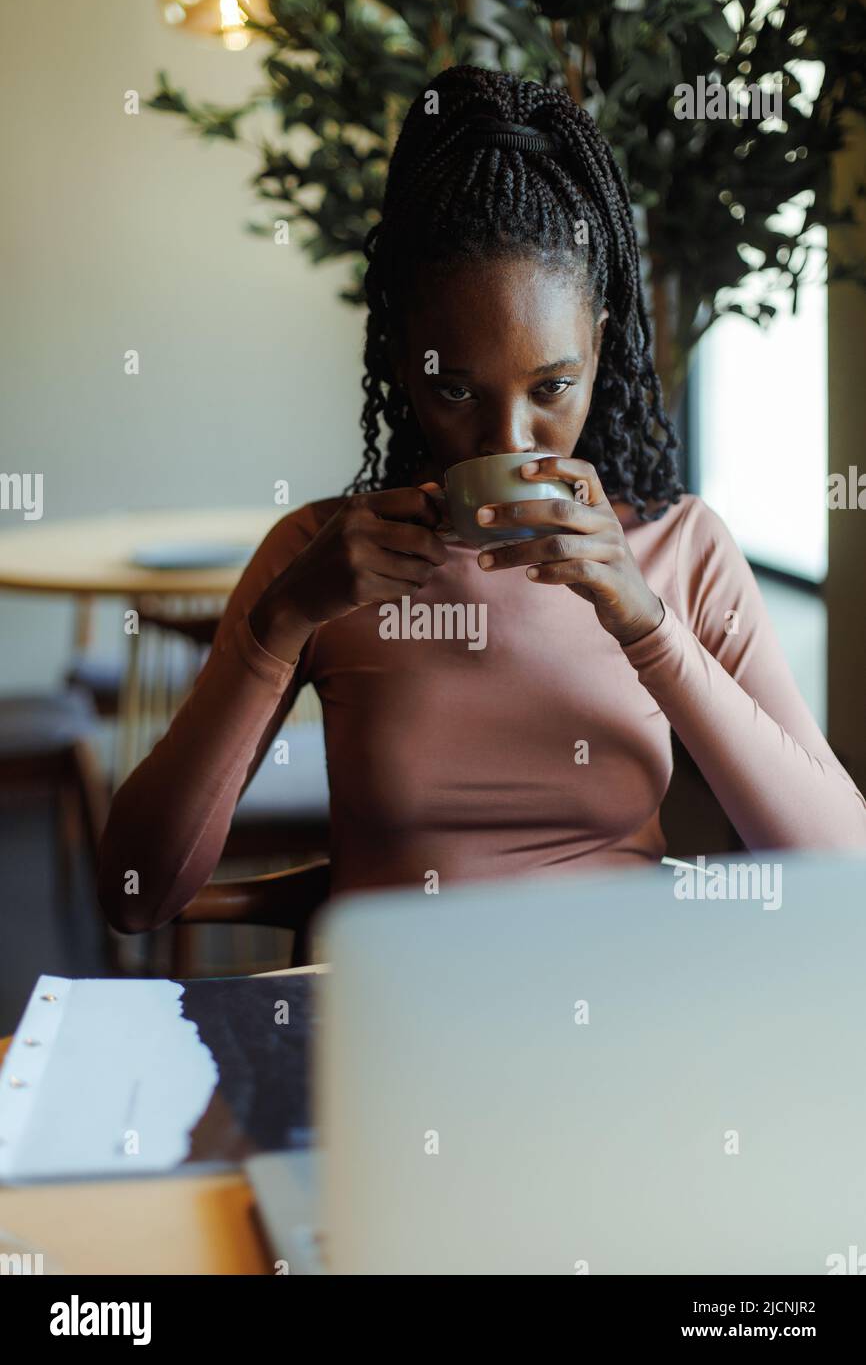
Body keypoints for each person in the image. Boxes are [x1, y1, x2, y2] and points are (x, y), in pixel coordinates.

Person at [97, 66, 866, 935]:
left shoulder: (680, 549)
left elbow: (845, 876)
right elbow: (132, 895)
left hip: (620, 1022)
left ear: (600, 347)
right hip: (394, 1038)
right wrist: (278, 627)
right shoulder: (319, 562)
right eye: (458, 391)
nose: (510, 444)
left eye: (553, 387)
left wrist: (649, 627)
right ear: (402, 361)